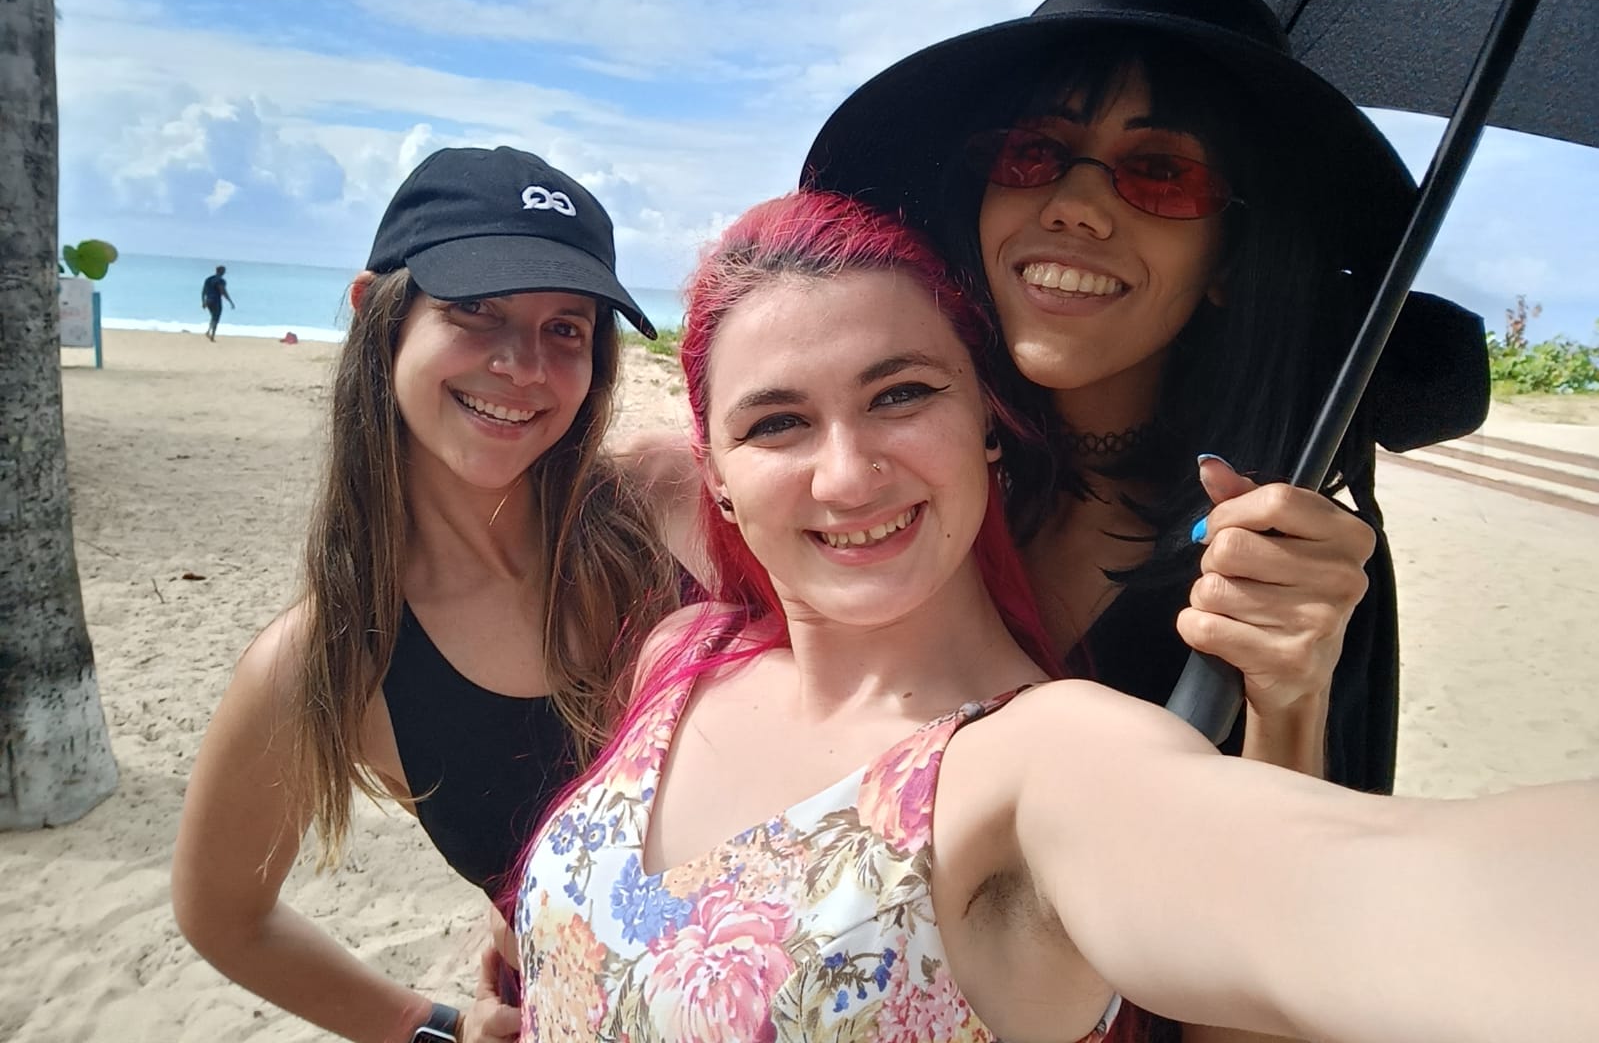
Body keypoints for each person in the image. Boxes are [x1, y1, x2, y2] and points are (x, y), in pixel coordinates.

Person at [506, 191, 1594, 1043]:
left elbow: (1380, 890)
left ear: (989, 420)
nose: (847, 476)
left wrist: (1290, 705)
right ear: (719, 474)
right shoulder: (679, 653)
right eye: (780, 422)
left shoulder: (1035, 768)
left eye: (901, 395)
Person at [798, 0, 1491, 792]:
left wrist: (1289, 696)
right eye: (1033, 153)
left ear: (1231, 259)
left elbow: (1290, 891)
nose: (1073, 205)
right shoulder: (897, 471)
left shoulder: (1282, 559)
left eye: (1160, 173)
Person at [171, 147, 679, 1043]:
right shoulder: (327, 659)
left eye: (566, 327)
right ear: (379, 312)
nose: (523, 364)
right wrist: (425, 1026)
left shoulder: (663, 508)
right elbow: (225, 916)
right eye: (475, 311)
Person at [202, 264, 236, 341]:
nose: (224, 272)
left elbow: (203, 291)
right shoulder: (221, 281)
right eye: (224, 271)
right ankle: (212, 336)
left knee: (213, 317)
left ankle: (208, 331)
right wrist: (230, 301)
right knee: (216, 318)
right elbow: (223, 291)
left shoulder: (208, 279)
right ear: (221, 271)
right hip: (216, 301)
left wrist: (203, 301)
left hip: (208, 300)